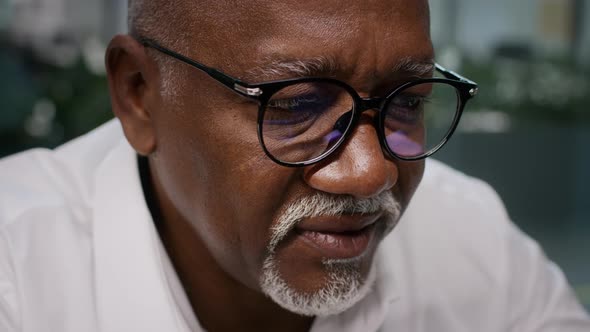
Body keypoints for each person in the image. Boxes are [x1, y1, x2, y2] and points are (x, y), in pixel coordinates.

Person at [0, 0, 589, 331]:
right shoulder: (21, 282)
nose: (369, 172)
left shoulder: (477, 251)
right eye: (297, 107)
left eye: (406, 103)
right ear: (138, 93)